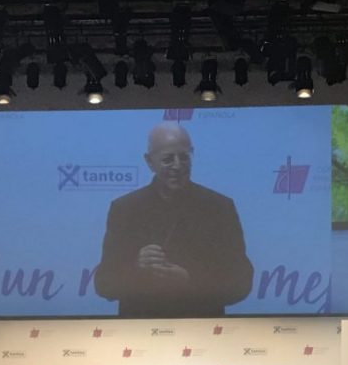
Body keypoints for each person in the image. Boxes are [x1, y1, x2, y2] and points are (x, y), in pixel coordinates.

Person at [94, 122, 254, 318]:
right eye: (168, 159)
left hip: (202, 328)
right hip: (140, 328)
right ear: (149, 161)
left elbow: (242, 282)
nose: (177, 166)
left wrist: (191, 279)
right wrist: (135, 266)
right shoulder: (125, 209)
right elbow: (104, 284)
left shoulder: (219, 208)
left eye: (184, 157)